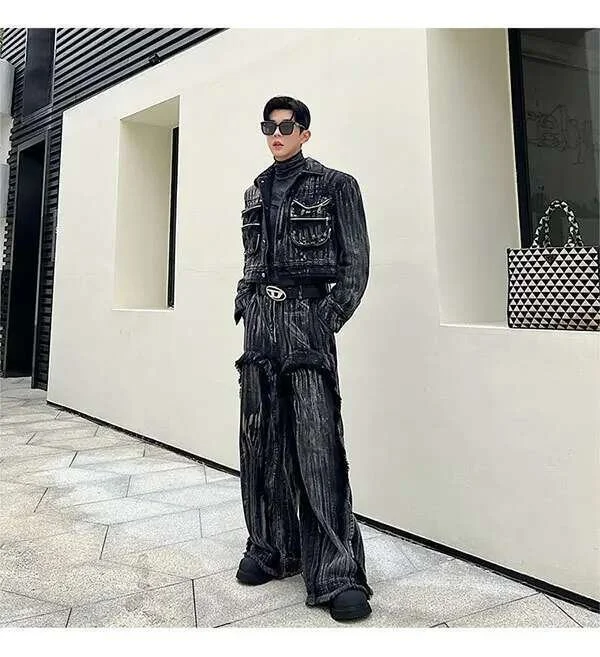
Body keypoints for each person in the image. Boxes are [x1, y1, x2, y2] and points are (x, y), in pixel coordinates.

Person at [233, 96, 372, 622]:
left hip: (305, 317)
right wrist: (246, 299)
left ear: (305, 133)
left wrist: (327, 317)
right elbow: (252, 257)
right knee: (259, 438)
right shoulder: (254, 190)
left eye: (286, 126)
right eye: (268, 126)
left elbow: (356, 263)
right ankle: (271, 548)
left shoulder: (337, 185)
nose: (276, 134)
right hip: (260, 323)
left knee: (316, 444)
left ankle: (336, 573)